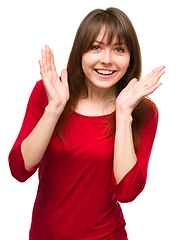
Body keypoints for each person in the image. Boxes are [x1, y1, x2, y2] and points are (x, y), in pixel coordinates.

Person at [9, 7, 165, 240]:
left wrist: (123, 114)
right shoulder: (47, 92)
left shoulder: (143, 112)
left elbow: (128, 192)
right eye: (96, 47)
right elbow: (19, 170)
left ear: (130, 57)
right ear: (80, 52)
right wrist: (54, 109)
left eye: (119, 49)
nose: (107, 60)